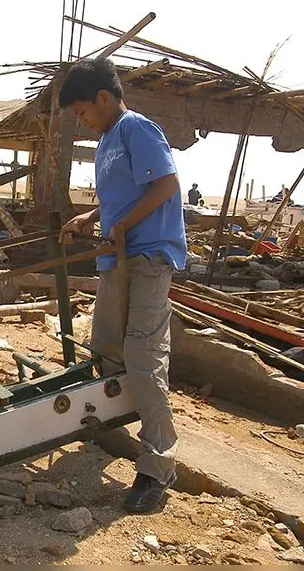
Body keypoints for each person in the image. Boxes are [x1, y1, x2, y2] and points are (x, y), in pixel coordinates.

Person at [58, 58, 185, 514]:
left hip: (147, 258)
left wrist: (124, 225)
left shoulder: (136, 128)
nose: (82, 121)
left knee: (143, 360)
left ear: (103, 98)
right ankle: (112, 434)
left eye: (82, 112)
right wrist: (90, 216)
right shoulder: (107, 141)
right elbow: (124, 196)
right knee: (108, 350)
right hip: (117, 259)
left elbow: (166, 185)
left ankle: (156, 469)